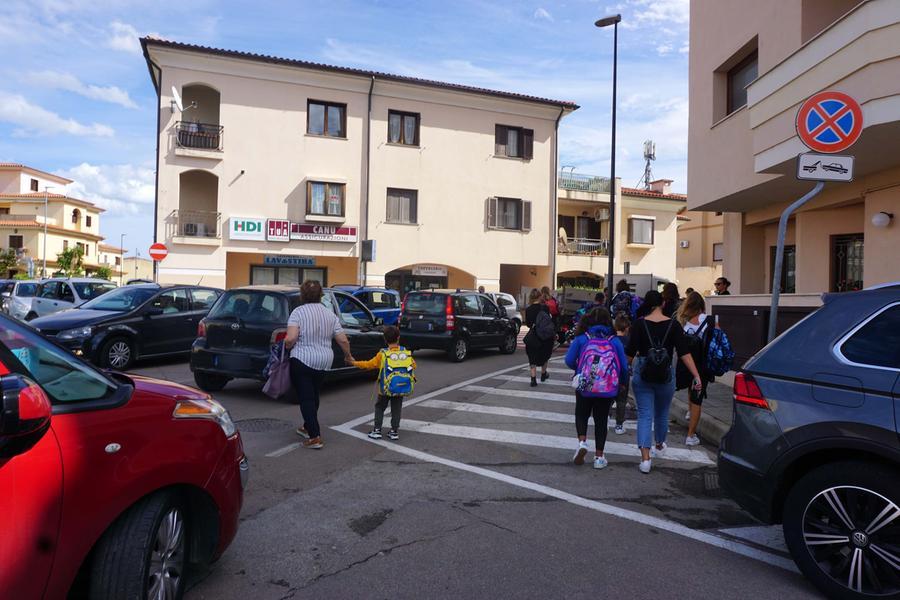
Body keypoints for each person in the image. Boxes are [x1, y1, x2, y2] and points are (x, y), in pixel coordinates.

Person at [625, 290, 703, 474]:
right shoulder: (674, 325)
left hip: (643, 372)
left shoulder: (639, 324)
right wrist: (696, 375)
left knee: (645, 414)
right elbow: (684, 353)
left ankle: (645, 459)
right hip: (666, 374)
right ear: (662, 304)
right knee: (662, 413)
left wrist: (619, 374)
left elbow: (629, 355)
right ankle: (659, 445)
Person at [285, 280, 355, 449]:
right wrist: (348, 356)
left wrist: (286, 346)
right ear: (321, 295)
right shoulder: (329, 314)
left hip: (302, 358)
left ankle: (315, 436)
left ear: (302, 295)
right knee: (314, 394)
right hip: (324, 360)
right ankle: (307, 426)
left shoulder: (298, 312)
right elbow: (343, 340)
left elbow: (291, 338)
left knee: (306, 397)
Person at [565, 306, 628, 469]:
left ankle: (582, 442)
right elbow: (623, 366)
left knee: (581, 413)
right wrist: (622, 383)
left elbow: (569, 360)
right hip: (606, 388)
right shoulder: (614, 341)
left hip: (585, 385)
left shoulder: (582, 338)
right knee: (601, 420)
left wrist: (579, 369)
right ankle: (599, 457)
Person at [352, 326, 416, 441]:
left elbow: (369, 364)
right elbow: (413, 365)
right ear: (398, 338)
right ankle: (394, 431)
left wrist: (355, 363)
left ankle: (377, 430)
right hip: (400, 388)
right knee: (396, 408)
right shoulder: (405, 352)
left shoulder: (383, 354)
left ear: (385, 339)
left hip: (385, 388)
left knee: (380, 407)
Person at [676, 292, 717, 447]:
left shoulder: (683, 322)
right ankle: (690, 435)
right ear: (702, 305)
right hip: (702, 365)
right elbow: (718, 339)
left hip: (686, 364)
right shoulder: (709, 321)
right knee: (697, 400)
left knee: (690, 389)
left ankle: (689, 411)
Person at [524, 288, 554, 386]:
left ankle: (533, 379)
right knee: (545, 355)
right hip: (545, 336)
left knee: (532, 356)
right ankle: (543, 374)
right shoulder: (545, 308)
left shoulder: (528, 309)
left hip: (533, 336)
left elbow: (528, 324)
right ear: (540, 296)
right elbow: (549, 321)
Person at [612, 313, 632, 435]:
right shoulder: (629, 341)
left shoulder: (611, 340)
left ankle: (606, 417)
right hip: (623, 373)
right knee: (621, 400)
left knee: (609, 398)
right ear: (627, 328)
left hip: (611, 373)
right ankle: (619, 424)